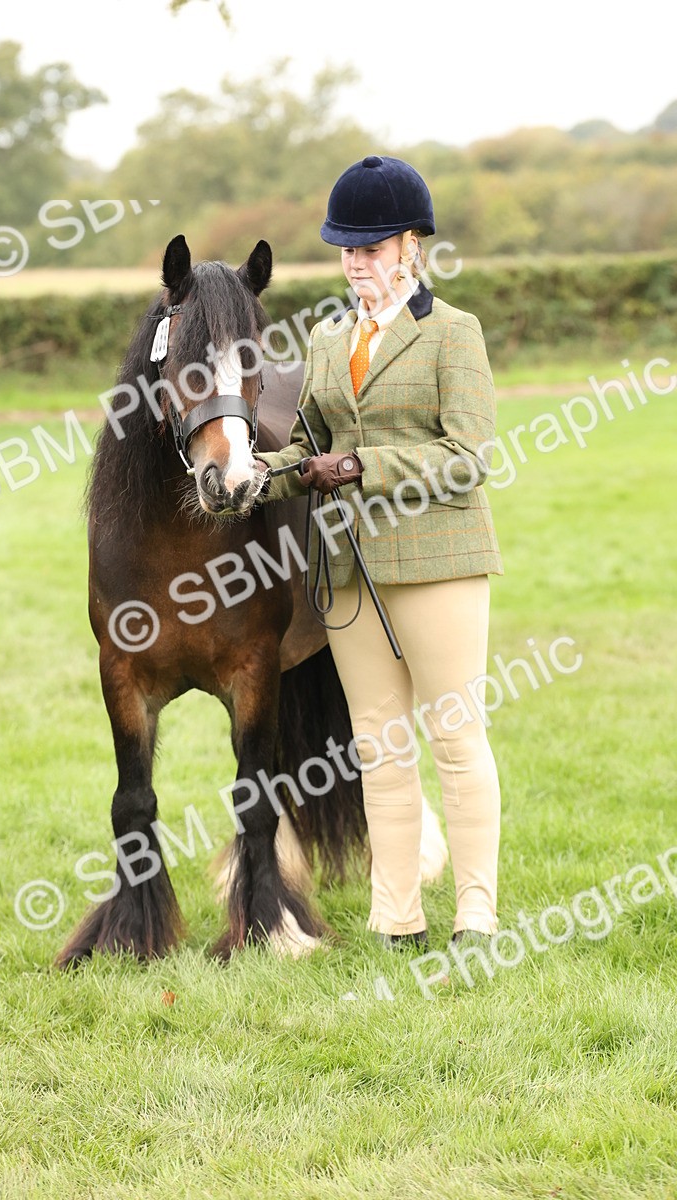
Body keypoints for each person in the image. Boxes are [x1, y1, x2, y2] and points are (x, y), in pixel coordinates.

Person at [255, 155, 503, 950]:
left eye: (371, 248)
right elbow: (306, 448)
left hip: (439, 563)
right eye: (347, 250)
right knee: (379, 746)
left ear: (410, 247)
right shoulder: (328, 339)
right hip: (348, 572)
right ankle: (396, 917)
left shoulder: (453, 334)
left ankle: (475, 912)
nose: (357, 263)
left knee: (456, 739)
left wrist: (361, 467)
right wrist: (251, 477)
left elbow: (467, 455)